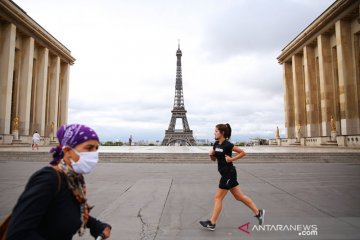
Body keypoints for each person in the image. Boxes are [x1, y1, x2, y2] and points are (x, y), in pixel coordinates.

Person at [7, 124, 112, 240]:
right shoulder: (48, 179)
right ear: (67, 150)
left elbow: (68, 212)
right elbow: (18, 233)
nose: (94, 154)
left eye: (96, 148)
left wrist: (95, 225)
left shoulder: (73, 180)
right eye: (89, 148)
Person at [199, 123, 265, 231]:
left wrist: (231, 159)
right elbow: (214, 159)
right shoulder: (216, 144)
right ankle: (258, 213)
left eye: (216, 131)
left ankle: (212, 222)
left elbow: (243, 152)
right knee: (239, 197)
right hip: (225, 173)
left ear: (222, 133)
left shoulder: (228, 145)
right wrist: (211, 155)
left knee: (218, 197)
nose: (214, 133)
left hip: (229, 173)